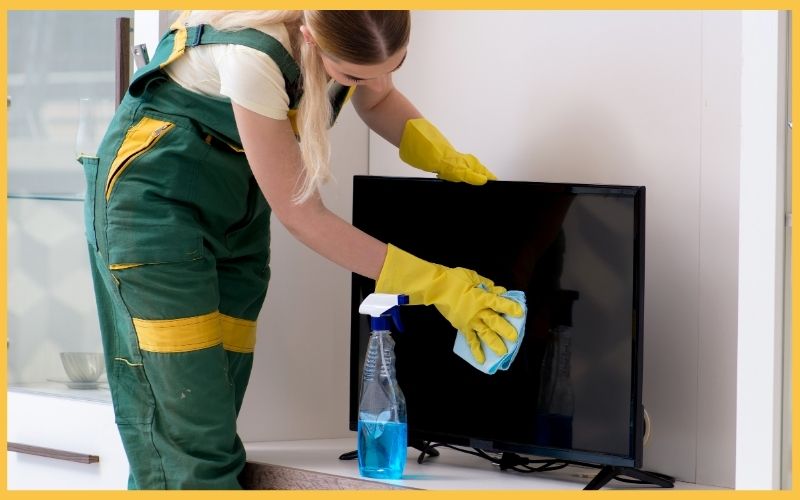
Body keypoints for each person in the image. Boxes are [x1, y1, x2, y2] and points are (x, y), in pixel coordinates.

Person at [80, 10, 523, 489]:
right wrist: (437, 285)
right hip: (154, 210)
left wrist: (443, 156)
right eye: (353, 75)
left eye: (394, 64)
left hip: (236, 207)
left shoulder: (352, 29)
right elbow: (305, 217)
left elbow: (379, 98)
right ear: (311, 38)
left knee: (213, 411)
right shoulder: (254, 55)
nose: (371, 81)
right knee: (191, 443)